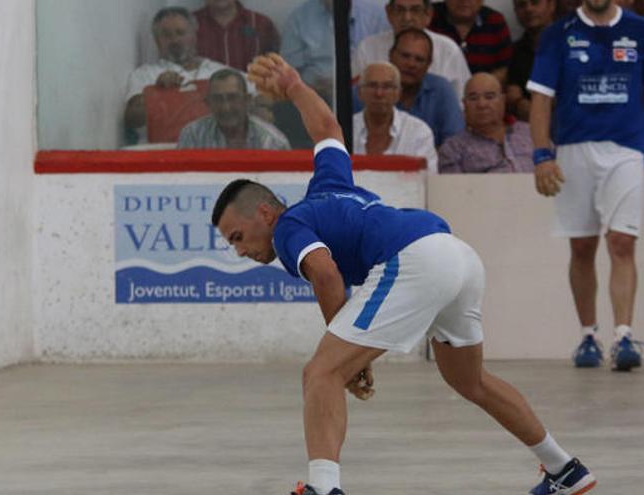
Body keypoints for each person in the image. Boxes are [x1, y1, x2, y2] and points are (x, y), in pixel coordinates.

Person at [220, 52, 597, 495]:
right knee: (468, 379)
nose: (241, 250)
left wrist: (345, 352)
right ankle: (564, 469)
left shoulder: (287, 228)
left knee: (320, 374)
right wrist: (293, 86)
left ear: (264, 212)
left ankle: (323, 489)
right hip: (457, 257)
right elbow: (327, 130)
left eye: (237, 236)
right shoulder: (329, 186)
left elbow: (326, 275)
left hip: (415, 261)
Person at [528, 0, 644, 371]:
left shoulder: (642, 32)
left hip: (626, 150)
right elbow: (541, 98)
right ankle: (588, 336)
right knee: (582, 246)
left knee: (622, 241)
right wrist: (541, 155)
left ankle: (624, 336)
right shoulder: (557, 35)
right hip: (572, 149)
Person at [124, 7, 233, 144]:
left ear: (194, 35)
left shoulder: (219, 72)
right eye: (166, 35)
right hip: (160, 155)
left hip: (213, 153)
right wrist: (158, 93)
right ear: (157, 41)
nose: (174, 40)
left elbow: (253, 102)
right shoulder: (144, 74)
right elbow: (131, 120)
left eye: (180, 33)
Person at [354, 29, 465, 147]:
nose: (411, 64)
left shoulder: (441, 90)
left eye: (419, 59)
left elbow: (455, 144)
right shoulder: (366, 89)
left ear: (429, 64)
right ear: (391, 55)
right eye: (405, 56)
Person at [353, 0, 472, 101]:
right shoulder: (368, 48)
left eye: (415, 10)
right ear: (389, 13)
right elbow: (354, 97)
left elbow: (463, 102)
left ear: (428, 14)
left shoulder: (448, 50)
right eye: (400, 10)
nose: (407, 18)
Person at [439, 73, 533, 173]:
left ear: (503, 101)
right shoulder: (453, 149)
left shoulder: (531, 132)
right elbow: (453, 188)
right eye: (473, 98)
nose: (482, 104)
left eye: (489, 97)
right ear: (464, 105)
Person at [352, 63, 438, 172]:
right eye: (372, 85)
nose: (379, 93)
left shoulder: (419, 132)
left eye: (387, 86)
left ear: (398, 93)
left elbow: (427, 181)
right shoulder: (343, 129)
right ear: (359, 92)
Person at [178, 69, 291, 149]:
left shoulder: (273, 141)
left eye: (233, 98)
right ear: (208, 103)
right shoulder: (193, 135)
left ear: (247, 100)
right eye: (218, 99)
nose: (226, 107)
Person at [429, 0, 514, 83]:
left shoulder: (495, 21)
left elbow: (505, 68)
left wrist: (478, 88)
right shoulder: (429, 16)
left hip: (482, 92)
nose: (464, 1)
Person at [193, 0, 281, 72]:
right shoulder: (188, 25)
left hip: (253, 91)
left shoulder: (261, 24)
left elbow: (277, 68)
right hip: (203, 91)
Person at [506, 0, 558, 121]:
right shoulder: (516, 50)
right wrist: (518, 103)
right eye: (521, 5)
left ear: (552, 5)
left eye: (535, 3)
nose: (528, 9)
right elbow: (512, 92)